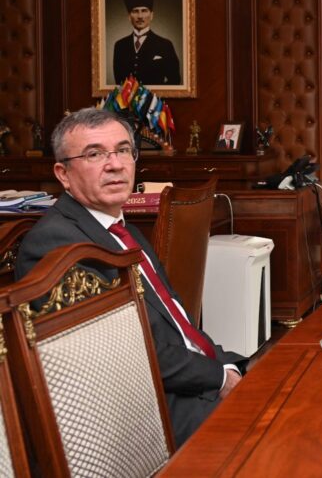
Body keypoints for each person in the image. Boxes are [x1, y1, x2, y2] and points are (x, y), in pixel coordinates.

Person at [16, 108, 247, 447]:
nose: (115, 164)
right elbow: (124, 353)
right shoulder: (55, 244)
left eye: (123, 150)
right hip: (146, 414)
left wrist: (225, 365)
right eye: (94, 154)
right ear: (63, 174)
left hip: (189, 381)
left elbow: (176, 321)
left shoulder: (126, 231)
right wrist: (219, 378)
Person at [113, 0, 182, 86]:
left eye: (144, 11)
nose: (140, 16)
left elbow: (175, 80)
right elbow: (119, 83)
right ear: (129, 16)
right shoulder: (120, 46)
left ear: (152, 15)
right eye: (135, 11)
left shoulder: (165, 45)